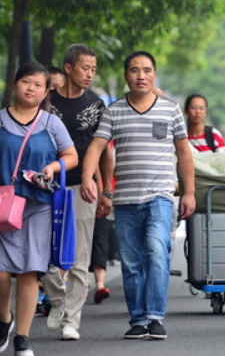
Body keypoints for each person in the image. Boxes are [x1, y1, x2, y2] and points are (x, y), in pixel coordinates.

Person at [80, 51, 196, 339]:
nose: (141, 75)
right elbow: (96, 147)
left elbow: (183, 152)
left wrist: (190, 192)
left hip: (160, 196)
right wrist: (88, 180)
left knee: (157, 251)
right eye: (134, 70)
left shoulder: (170, 110)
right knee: (132, 263)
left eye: (146, 70)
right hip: (126, 200)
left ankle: (155, 316)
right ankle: (138, 319)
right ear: (126, 76)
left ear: (154, 74)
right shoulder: (114, 111)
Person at [0, 62, 78, 356]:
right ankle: (3, 320)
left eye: (37, 84)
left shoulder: (50, 123)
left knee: (30, 271)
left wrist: (54, 166)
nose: (30, 88)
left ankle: (22, 337)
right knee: (2, 271)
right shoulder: (0, 120)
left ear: (46, 91)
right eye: (25, 82)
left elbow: (71, 156)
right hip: (4, 206)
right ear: (15, 84)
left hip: (39, 205)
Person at [44, 44, 113, 341]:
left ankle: (72, 319)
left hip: (83, 187)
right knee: (44, 257)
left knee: (79, 257)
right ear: (68, 68)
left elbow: (105, 151)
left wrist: (106, 190)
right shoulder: (46, 104)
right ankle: (58, 301)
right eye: (85, 67)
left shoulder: (96, 105)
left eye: (93, 69)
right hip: (46, 187)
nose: (90, 74)